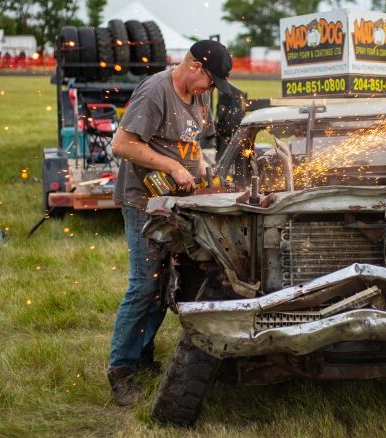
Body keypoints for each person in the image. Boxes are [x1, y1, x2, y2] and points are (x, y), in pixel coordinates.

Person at [107, 39, 237, 406]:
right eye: (210, 81)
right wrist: (173, 167)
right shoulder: (155, 91)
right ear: (194, 66)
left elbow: (193, 145)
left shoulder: (199, 97)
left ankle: (143, 354)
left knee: (165, 285)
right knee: (143, 286)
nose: (211, 90)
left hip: (177, 205)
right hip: (144, 203)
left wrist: (207, 174)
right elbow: (122, 144)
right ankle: (121, 370)